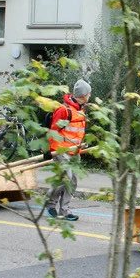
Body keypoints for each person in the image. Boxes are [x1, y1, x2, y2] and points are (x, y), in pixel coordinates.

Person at [46, 79, 90, 222]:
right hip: (61, 150)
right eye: (88, 93)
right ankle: (50, 203)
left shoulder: (81, 110)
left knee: (72, 181)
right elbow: (53, 131)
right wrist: (51, 150)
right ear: (83, 95)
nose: (89, 96)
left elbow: (78, 131)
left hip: (75, 151)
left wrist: (81, 144)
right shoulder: (63, 110)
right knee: (66, 177)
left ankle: (65, 210)